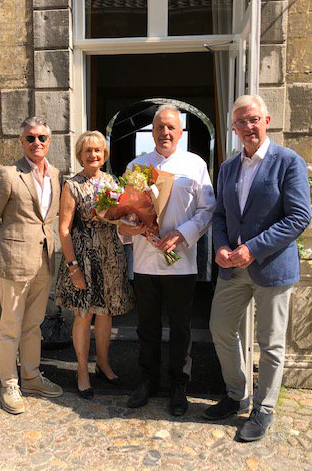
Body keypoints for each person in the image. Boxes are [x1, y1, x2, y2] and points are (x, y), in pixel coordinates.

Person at [205, 95, 311, 441]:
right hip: (232, 268)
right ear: (234, 128)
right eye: (240, 122)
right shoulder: (227, 168)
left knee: (270, 342)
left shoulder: (289, 162)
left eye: (253, 119)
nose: (247, 127)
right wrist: (221, 245)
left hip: (271, 268)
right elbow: (220, 215)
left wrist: (254, 248)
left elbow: (299, 216)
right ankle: (237, 393)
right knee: (220, 327)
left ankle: (263, 409)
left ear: (266, 120)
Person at [119, 104, 216, 416]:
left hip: (181, 261)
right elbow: (127, 211)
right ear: (153, 131)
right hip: (146, 260)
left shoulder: (195, 165)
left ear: (181, 132)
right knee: (146, 326)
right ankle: (147, 380)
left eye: (171, 127)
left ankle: (178, 383)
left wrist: (183, 233)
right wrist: (127, 225)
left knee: (180, 328)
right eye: (159, 127)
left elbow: (207, 209)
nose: (165, 132)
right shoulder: (137, 166)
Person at [0, 116, 64, 415]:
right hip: (14, 262)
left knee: (33, 325)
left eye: (42, 137)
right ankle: (9, 383)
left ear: (48, 141)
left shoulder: (55, 174)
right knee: (10, 327)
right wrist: (7, 247)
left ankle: (31, 377)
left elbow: (49, 219)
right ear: (22, 142)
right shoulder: (8, 175)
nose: (37, 143)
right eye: (30, 138)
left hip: (44, 260)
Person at [55, 131, 134, 399]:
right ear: (80, 154)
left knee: (105, 312)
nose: (93, 155)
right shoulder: (72, 185)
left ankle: (102, 363)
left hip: (110, 255)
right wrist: (73, 268)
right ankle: (81, 370)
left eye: (98, 150)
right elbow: (64, 229)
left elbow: (121, 222)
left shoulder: (112, 182)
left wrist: (143, 224)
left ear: (104, 154)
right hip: (84, 258)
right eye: (88, 150)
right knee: (83, 314)